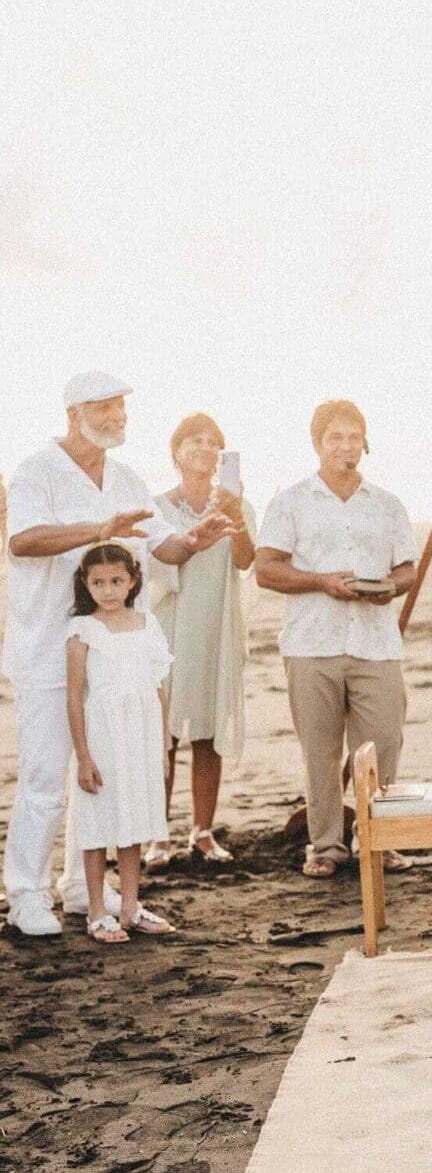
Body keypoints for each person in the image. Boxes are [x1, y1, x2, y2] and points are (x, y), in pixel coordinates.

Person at [2, 371, 234, 938]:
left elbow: (163, 544)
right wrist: (98, 528)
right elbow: (22, 540)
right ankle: (25, 893)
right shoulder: (37, 470)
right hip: (48, 648)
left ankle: (82, 889)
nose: (117, 418)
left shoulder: (127, 477)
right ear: (73, 414)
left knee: (101, 774)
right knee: (45, 775)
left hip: (117, 660)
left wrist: (194, 540)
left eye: (121, 409)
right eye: (104, 408)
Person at [256, 401, 418, 877]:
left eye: (354, 437)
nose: (346, 446)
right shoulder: (290, 501)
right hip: (311, 642)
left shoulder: (387, 503)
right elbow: (266, 569)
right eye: (335, 438)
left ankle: (378, 840)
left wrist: (390, 588)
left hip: (376, 641)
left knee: (384, 742)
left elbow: (406, 569)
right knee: (320, 751)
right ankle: (326, 845)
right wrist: (321, 581)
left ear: (365, 442)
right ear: (317, 443)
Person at [147, 413, 257, 868]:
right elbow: (151, 568)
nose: (206, 448)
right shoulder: (157, 507)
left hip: (215, 624)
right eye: (195, 440)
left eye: (214, 442)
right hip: (167, 624)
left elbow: (246, 561)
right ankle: (157, 834)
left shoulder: (237, 506)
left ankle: (203, 830)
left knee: (208, 731)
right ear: (176, 452)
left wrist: (236, 514)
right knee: (162, 735)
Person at [66, 545, 176, 942]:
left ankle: (130, 906)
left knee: (134, 820)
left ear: (132, 581)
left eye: (116, 581)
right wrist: (83, 757)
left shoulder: (147, 623)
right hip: (102, 737)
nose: (108, 590)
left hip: (141, 735)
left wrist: (163, 748)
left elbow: (158, 689)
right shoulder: (83, 630)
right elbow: (74, 697)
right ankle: (97, 911)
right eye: (98, 583)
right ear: (86, 584)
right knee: (97, 823)